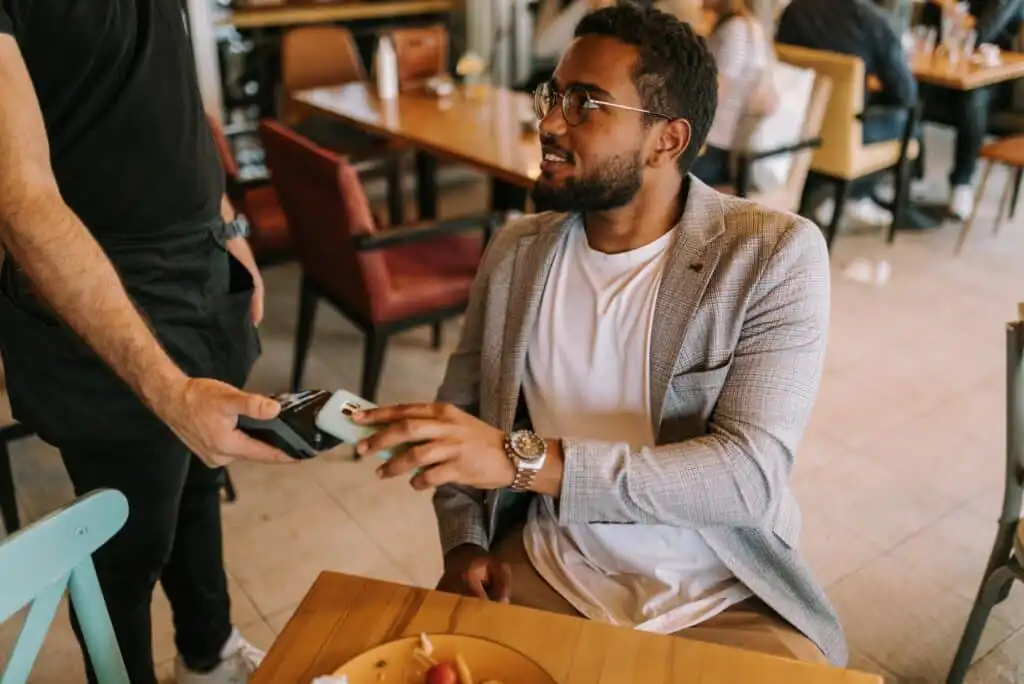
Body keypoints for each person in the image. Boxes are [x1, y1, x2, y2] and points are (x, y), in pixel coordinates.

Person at [351, 3, 846, 666]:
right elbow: (466, 419)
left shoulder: (771, 255)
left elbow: (747, 477)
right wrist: (466, 543)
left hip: (722, 596)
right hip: (549, 571)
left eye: (585, 103)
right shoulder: (516, 250)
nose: (550, 122)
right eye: (553, 95)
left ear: (665, 141)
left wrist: (521, 460)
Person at [0, 2, 294, 683]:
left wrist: (228, 227)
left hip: (200, 268)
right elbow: (22, 204)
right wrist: (169, 389)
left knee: (199, 486)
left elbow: (168, 104)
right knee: (125, 549)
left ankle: (210, 652)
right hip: (101, 300)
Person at [777, 0, 918, 228]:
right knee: (908, 121)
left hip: (796, 125)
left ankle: (825, 190)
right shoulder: (871, 20)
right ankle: (856, 195)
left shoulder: (795, 10)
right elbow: (905, 93)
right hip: (844, 134)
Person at [917, 0, 1024, 218]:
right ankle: (911, 172)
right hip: (952, 64)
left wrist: (948, 6)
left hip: (1000, 76)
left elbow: (982, 31)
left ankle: (961, 184)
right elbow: (927, 22)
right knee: (912, 90)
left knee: (972, 99)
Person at [690, 0, 780, 185]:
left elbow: (709, 96)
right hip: (721, 153)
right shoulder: (751, 27)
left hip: (710, 153)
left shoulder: (735, 31)